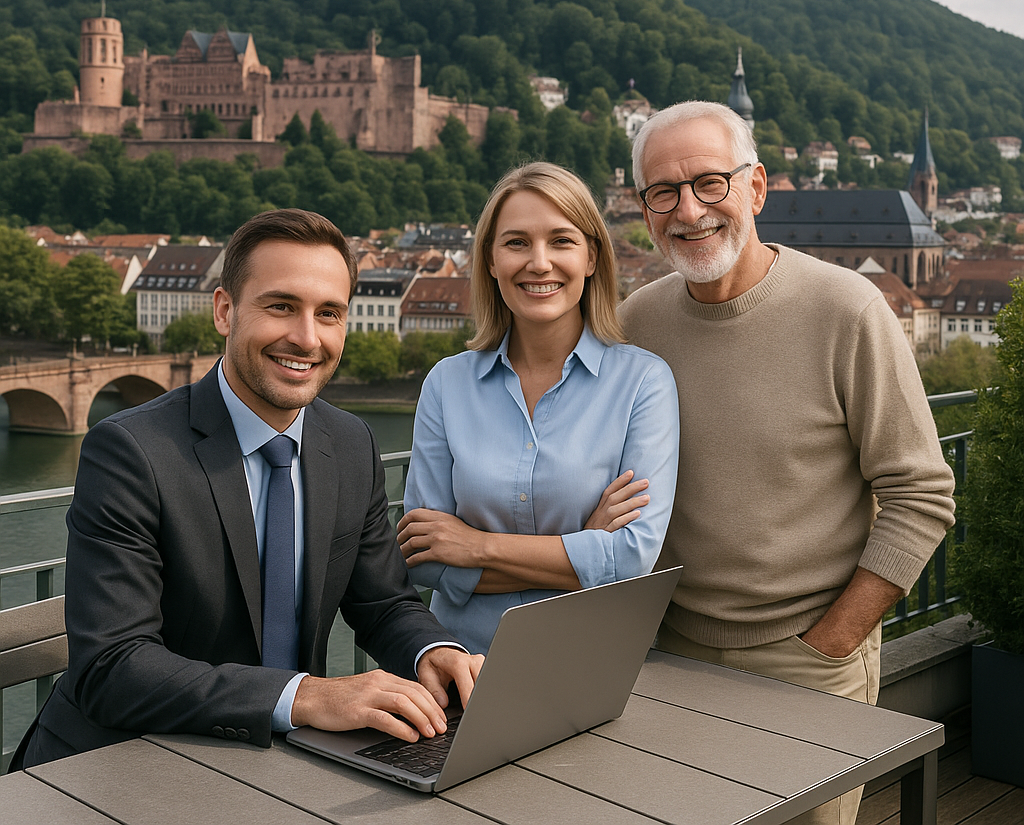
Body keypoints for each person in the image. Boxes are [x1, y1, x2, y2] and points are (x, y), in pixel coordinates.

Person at [13, 209, 482, 771]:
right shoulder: (131, 451)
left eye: (329, 313)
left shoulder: (350, 442)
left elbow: (382, 602)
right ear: (224, 311)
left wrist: (435, 651)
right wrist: (307, 695)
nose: (306, 338)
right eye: (281, 306)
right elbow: (113, 667)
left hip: (274, 760)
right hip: (121, 764)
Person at [620, 102, 956, 825]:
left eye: (711, 183)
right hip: (671, 654)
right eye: (663, 191)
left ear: (757, 188)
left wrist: (835, 640)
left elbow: (921, 492)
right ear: (642, 205)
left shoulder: (849, 309)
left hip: (806, 658)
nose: (689, 210)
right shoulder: (637, 322)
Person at [397, 163, 679, 655]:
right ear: (489, 260)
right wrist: (583, 548)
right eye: (517, 242)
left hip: (587, 661)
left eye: (562, 241)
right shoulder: (447, 382)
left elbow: (632, 560)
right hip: (459, 666)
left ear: (591, 257)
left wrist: (476, 546)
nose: (539, 262)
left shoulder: (642, 383)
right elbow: (424, 559)